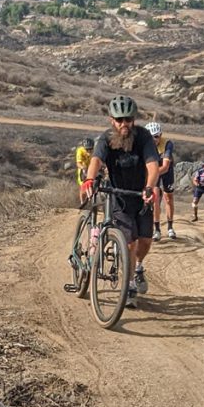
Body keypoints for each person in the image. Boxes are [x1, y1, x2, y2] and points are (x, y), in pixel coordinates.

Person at [81, 96, 160, 307]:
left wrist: (150, 187)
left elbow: (153, 165)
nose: (124, 124)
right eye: (119, 120)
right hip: (118, 197)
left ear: (133, 120)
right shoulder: (106, 138)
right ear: (111, 120)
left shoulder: (143, 137)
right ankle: (130, 284)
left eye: (128, 119)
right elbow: (96, 160)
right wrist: (89, 180)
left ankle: (138, 266)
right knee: (129, 242)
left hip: (141, 195)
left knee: (145, 241)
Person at [145, 121, 177, 241]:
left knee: (168, 197)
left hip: (165, 169)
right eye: (151, 137)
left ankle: (170, 227)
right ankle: (157, 229)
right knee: (156, 198)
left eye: (156, 136)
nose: (154, 139)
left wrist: (152, 174)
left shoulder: (167, 144)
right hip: (154, 169)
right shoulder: (145, 145)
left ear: (160, 135)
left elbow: (165, 167)